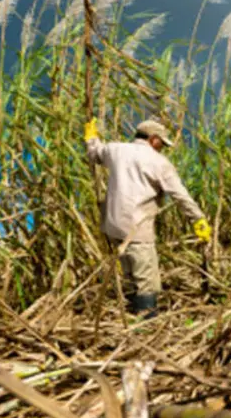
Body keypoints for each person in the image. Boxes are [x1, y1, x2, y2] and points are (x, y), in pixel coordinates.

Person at [84, 118, 211, 318]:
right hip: (137, 228)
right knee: (147, 281)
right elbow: (179, 195)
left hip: (113, 226)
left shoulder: (115, 150)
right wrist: (198, 219)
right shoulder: (158, 162)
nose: (163, 148)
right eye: (162, 143)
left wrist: (92, 138)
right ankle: (146, 324)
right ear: (153, 140)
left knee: (129, 275)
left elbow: (94, 154)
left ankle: (130, 315)